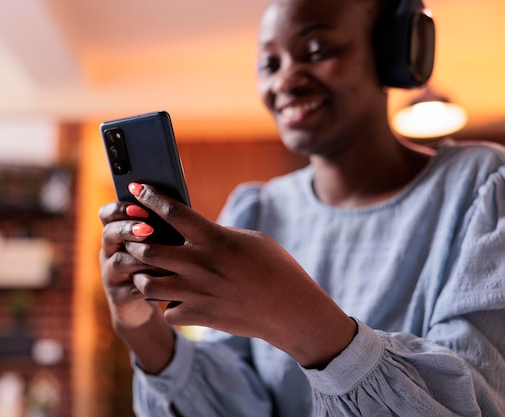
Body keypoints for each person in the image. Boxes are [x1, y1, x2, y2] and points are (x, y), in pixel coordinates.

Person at [98, 0, 505, 415]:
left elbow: (476, 402)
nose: (287, 80)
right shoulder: (255, 211)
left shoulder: (482, 187)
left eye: (317, 51)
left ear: (392, 54)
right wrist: (140, 326)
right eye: (270, 64)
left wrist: (300, 317)